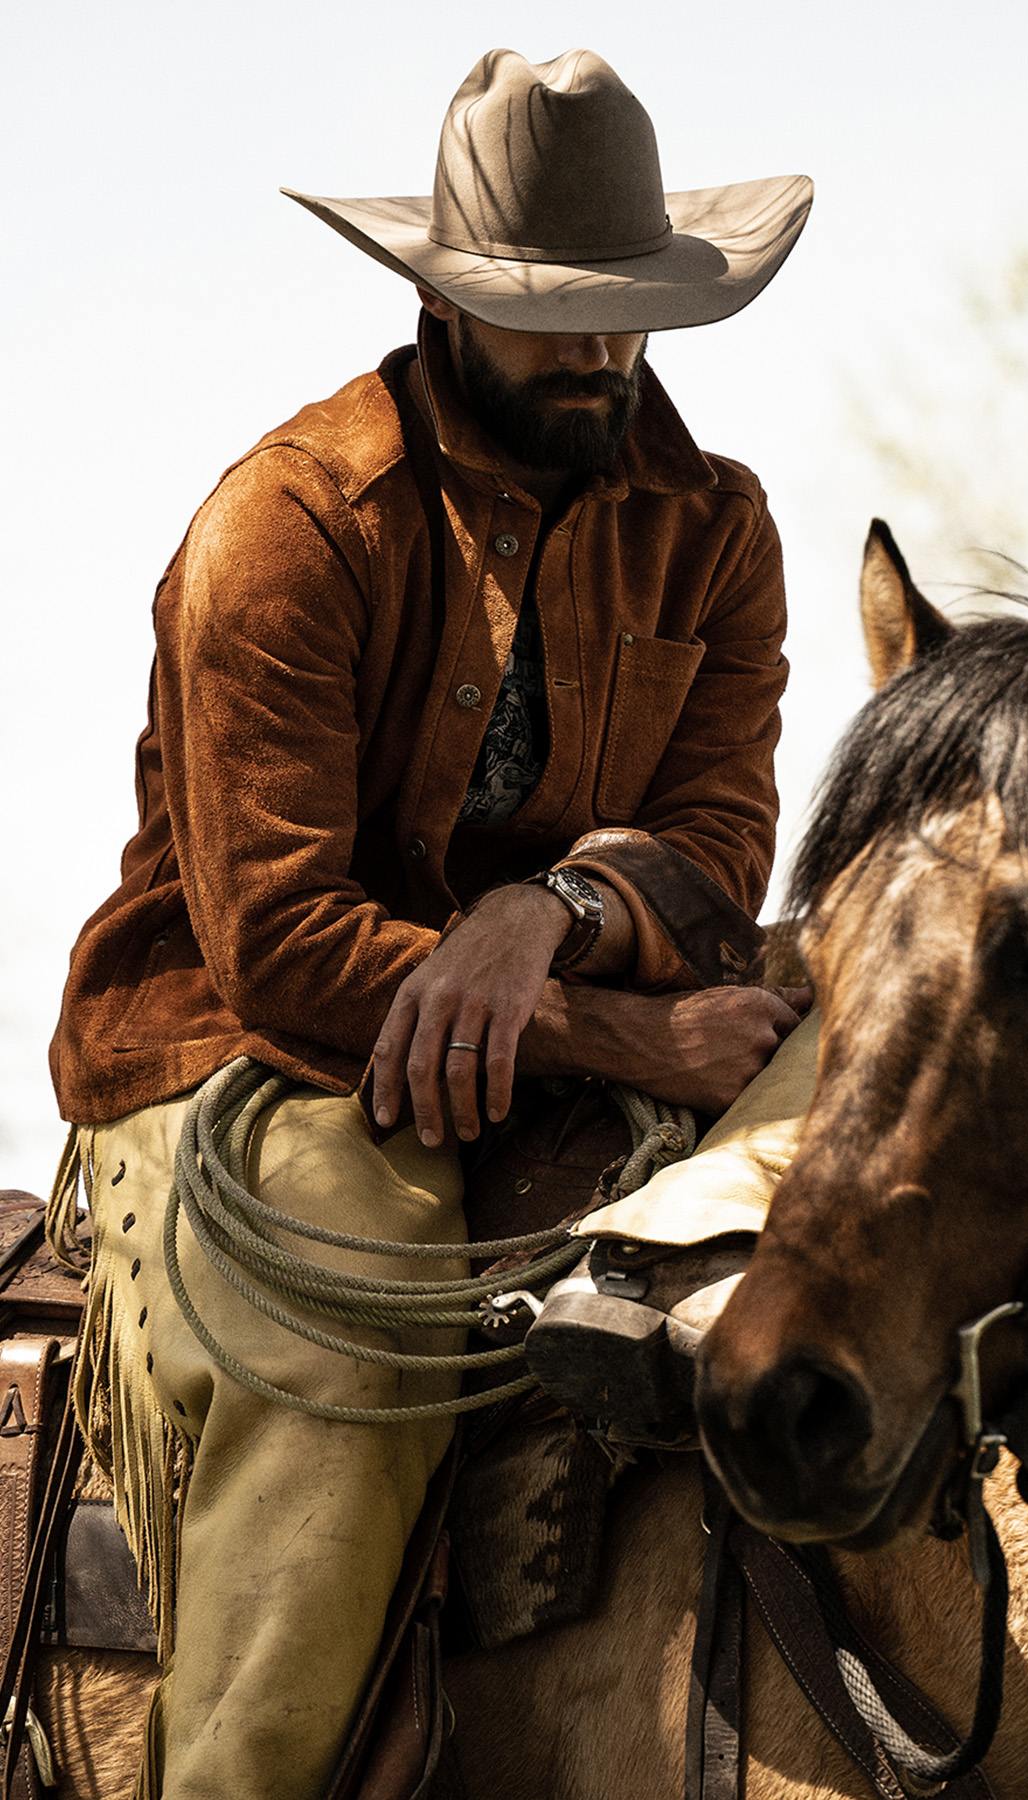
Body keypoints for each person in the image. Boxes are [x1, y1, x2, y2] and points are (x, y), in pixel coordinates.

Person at [48, 47, 813, 1800]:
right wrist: (616, 1027)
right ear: (440, 296)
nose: (605, 352)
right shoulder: (290, 524)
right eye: (555, 316)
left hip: (542, 987)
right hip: (243, 1053)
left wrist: (542, 917)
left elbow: (721, 846)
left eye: (629, 312)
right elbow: (291, 948)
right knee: (358, 1312)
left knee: (891, 1095)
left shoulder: (718, 528)